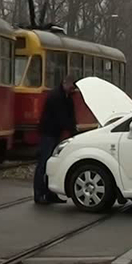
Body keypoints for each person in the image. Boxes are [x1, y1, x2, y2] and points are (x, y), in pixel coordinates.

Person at [34, 74, 78, 204]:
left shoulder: (67, 96)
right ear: (65, 83)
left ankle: (50, 193)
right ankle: (39, 193)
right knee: (44, 163)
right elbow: (62, 118)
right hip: (48, 133)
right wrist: (72, 130)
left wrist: (73, 128)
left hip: (55, 133)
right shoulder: (56, 97)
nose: (73, 90)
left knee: (51, 164)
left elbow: (71, 115)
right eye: (72, 87)